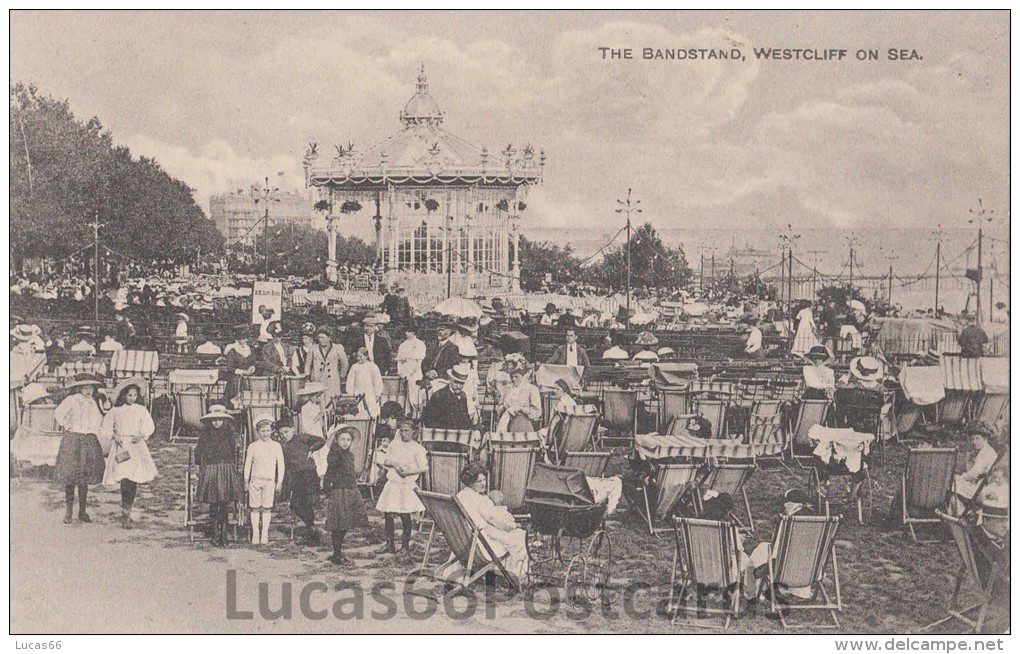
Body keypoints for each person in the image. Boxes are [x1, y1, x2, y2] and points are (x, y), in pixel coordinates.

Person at [455, 463, 529, 583]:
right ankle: (518, 576)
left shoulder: (460, 496)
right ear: (470, 482)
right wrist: (513, 525)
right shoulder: (478, 499)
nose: (483, 484)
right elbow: (496, 520)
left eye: (484, 480)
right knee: (520, 535)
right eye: (479, 481)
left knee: (507, 534)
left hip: (463, 543)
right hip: (481, 545)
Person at [100, 378, 158, 529]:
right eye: (129, 395)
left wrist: (142, 434)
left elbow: (149, 426)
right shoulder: (116, 410)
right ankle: (124, 512)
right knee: (124, 478)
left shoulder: (140, 409)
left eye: (134, 395)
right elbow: (105, 427)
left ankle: (128, 510)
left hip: (136, 445)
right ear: (123, 396)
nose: (132, 398)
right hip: (122, 446)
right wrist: (115, 435)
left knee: (133, 479)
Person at [52, 374, 107, 524]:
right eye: (85, 387)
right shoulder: (72, 400)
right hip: (73, 439)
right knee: (71, 475)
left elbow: (99, 421)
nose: (88, 390)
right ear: (79, 388)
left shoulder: (93, 402)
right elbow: (58, 413)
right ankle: (69, 511)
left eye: (90, 387)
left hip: (88, 440)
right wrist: (67, 425)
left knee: (84, 476)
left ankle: (82, 511)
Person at [375, 417, 428, 558]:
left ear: (413, 432)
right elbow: (386, 460)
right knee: (388, 513)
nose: (404, 433)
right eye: (402, 430)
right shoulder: (394, 445)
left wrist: (408, 472)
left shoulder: (418, 448)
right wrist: (393, 464)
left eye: (407, 431)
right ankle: (389, 543)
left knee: (405, 514)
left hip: (406, 484)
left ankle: (405, 546)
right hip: (393, 483)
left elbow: (423, 468)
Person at [194, 404, 243, 547]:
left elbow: (234, 452)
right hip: (210, 468)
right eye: (214, 420)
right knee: (214, 502)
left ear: (225, 420)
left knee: (224, 502)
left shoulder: (229, 433)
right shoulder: (205, 434)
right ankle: (215, 532)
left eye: (220, 419)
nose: (217, 422)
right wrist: (198, 466)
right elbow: (199, 451)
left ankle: (224, 534)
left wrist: (233, 468)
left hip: (226, 468)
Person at [322, 425, 369, 566]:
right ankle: (337, 554)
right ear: (336, 440)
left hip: (350, 489)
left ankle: (337, 552)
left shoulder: (349, 454)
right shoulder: (334, 454)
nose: (345, 442)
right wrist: (327, 488)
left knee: (345, 523)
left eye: (348, 439)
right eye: (342, 439)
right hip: (339, 490)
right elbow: (330, 471)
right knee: (339, 523)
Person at [276, 416, 326, 544]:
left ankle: (312, 532)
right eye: (281, 433)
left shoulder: (302, 437)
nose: (284, 435)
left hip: (308, 474)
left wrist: (311, 449)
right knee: (295, 505)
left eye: (286, 432)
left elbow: (321, 440)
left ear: (293, 429)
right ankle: (312, 528)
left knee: (308, 503)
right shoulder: (282, 445)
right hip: (296, 477)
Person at [243, 419, 285, 545]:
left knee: (267, 508)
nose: (265, 433)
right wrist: (246, 480)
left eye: (267, 430)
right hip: (255, 481)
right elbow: (247, 465)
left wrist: (280, 481)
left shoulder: (276, 446)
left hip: (269, 481)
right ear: (257, 431)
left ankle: (264, 534)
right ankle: (255, 534)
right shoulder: (253, 446)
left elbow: (281, 465)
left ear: (272, 431)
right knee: (255, 508)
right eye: (262, 431)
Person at [421, 363, 474, 430]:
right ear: (450, 380)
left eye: (461, 383)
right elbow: (429, 420)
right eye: (456, 382)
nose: (458, 386)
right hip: (441, 437)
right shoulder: (438, 396)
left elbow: (465, 420)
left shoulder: (463, 396)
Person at [495, 361, 543, 432]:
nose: (513, 379)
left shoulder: (532, 389)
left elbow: (537, 412)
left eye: (516, 376)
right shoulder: (506, 389)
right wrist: (503, 408)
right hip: (505, 425)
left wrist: (521, 409)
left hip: (523, 426)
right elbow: (499, 407)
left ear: (523, 376)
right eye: (511, 376)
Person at [306, 325, 348, 404]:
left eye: (323, 337)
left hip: (332, 380)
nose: (320, 340)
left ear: (329, 338)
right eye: (319, 337)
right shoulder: (313, 348)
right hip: (317, 379)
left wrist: (341, 376)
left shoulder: (337, 348)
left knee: (332, 402)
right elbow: (307, 364)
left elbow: (344, 363)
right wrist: (308, 377)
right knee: (317, 402)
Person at [346, 346, 384, 419]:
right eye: (358, 357)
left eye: (361, 356)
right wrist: (351, 394)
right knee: (359, 413)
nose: (359, 358)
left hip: (370, 394)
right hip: (358, 395)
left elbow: (377, 381)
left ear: (366, 356)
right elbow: (350, 381)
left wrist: (377, 394)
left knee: (372, 412)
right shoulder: (354, 367)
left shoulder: (372, 366)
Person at [396, 323, 427, 410]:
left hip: (416, 371)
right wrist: (401, 372)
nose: (407, 333)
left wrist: (412, 372)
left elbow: (420, 360)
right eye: (406, 331)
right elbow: (399, 360)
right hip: (405, 371)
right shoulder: (403, 344)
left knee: (415, 391)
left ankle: (417, 411)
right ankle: (406, 411)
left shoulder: (420, 344)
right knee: (405, 392)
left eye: (410, 332)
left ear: (414, 333)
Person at [222, 325, 255, 404]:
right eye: (243, 339)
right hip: (235, 379)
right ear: (238, 339)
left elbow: (253, 362)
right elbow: (230, 368)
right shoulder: (233, 350)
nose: (245, 341)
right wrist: (243, 372)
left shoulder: (249, 349)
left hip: (248, 378)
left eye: (246, 338)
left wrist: (252, 367)